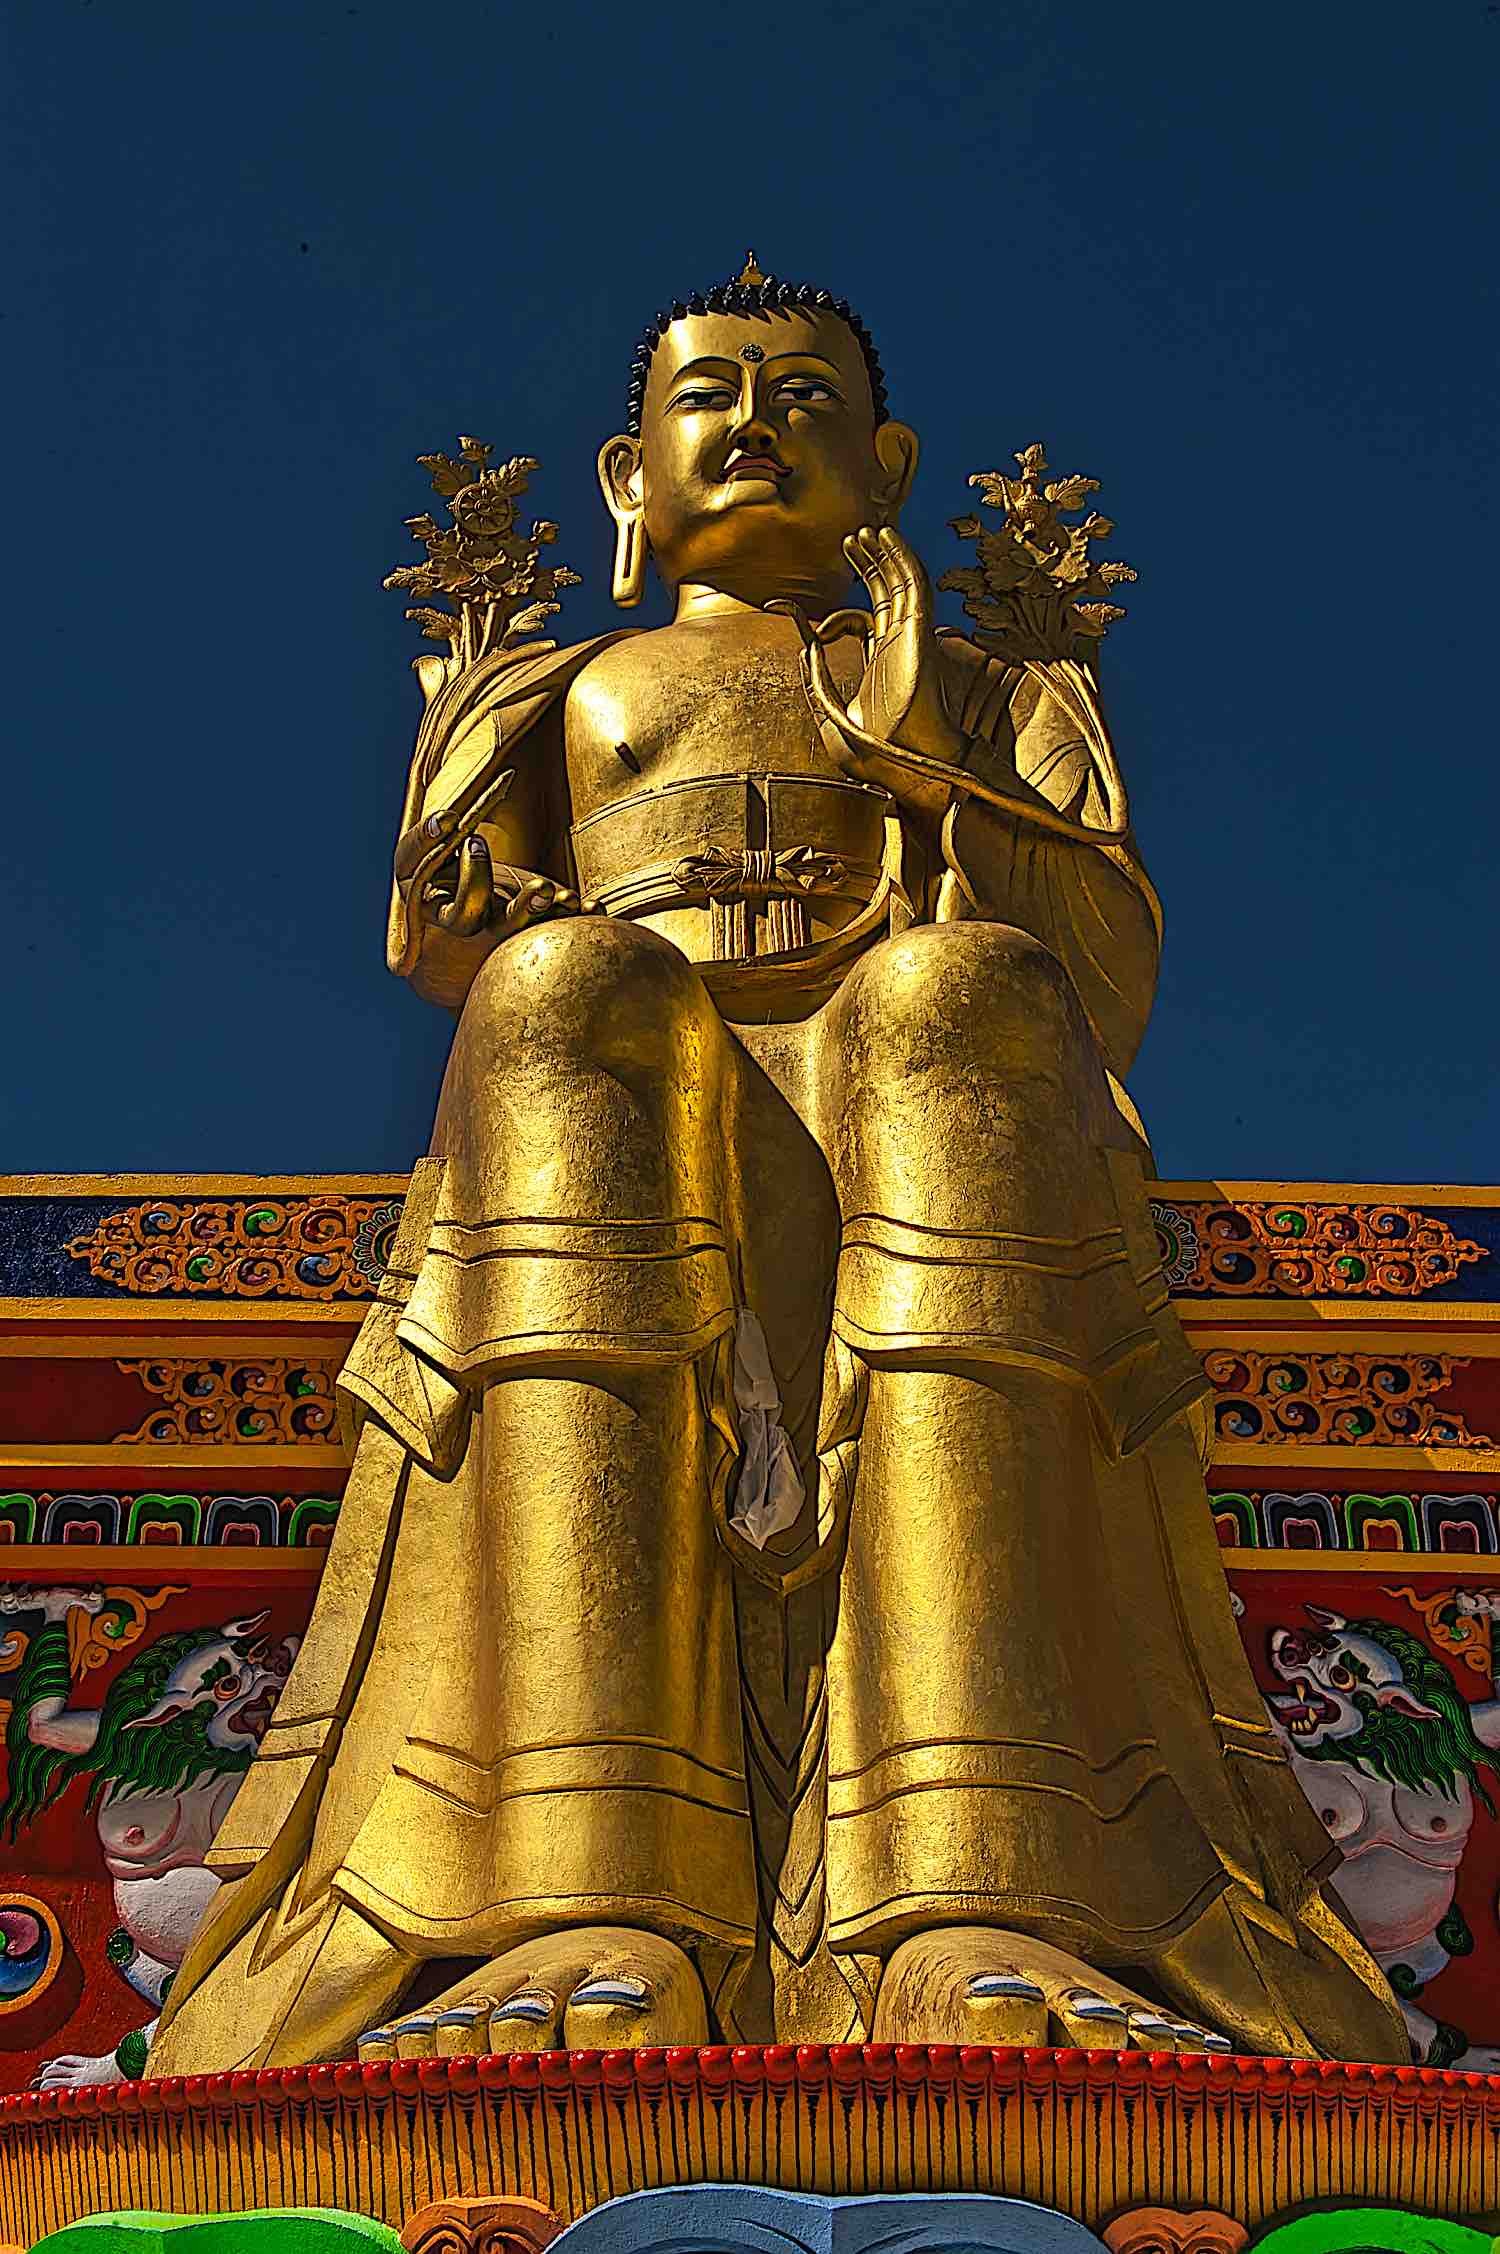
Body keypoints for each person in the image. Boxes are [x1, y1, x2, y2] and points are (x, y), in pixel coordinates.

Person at [148, 262, 1405, 2072]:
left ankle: (983, 1879)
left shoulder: (971, 690)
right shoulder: (574, 688)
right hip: (627, 1081)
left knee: (960, 994)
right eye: (712, 395)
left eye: (805, 398)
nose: (755, 424)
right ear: (626, 483)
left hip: (911, 1079)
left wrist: (919, 757)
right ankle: (593, 1887)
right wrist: (483, 890)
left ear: (887, 465)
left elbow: (1103, 972)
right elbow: (445, 925)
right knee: (568, 983)